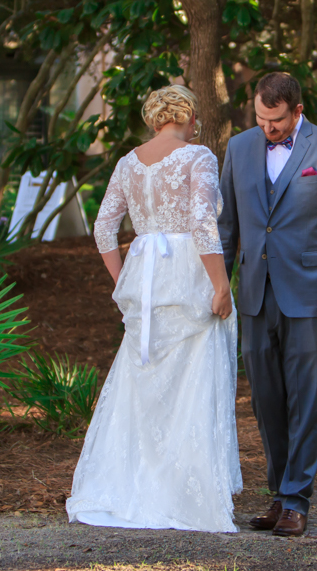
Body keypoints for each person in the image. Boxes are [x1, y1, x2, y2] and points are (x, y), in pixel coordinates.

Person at [66, 85, 242, 533]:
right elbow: (203, 221)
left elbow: (104, 228)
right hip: (187, 270)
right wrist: (221, 285)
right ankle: (184, 493)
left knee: (143, 382)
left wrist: (123, 281)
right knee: (193, 378)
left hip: (145, 273)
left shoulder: (128, 162)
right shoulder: (198, 156)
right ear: (189, 117)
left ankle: (132, 487)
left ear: (154, 117)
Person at [218, 72, 317, 537]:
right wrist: (218, 287)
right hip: (255, 294)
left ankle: (298, 499)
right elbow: (226, 229)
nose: (267, 128)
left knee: (306, 399)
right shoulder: (239, 148)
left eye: (276, 120)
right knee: (266, 401)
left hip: (312, 297)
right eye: (260, 118)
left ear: (297, 111)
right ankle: (278, 495)